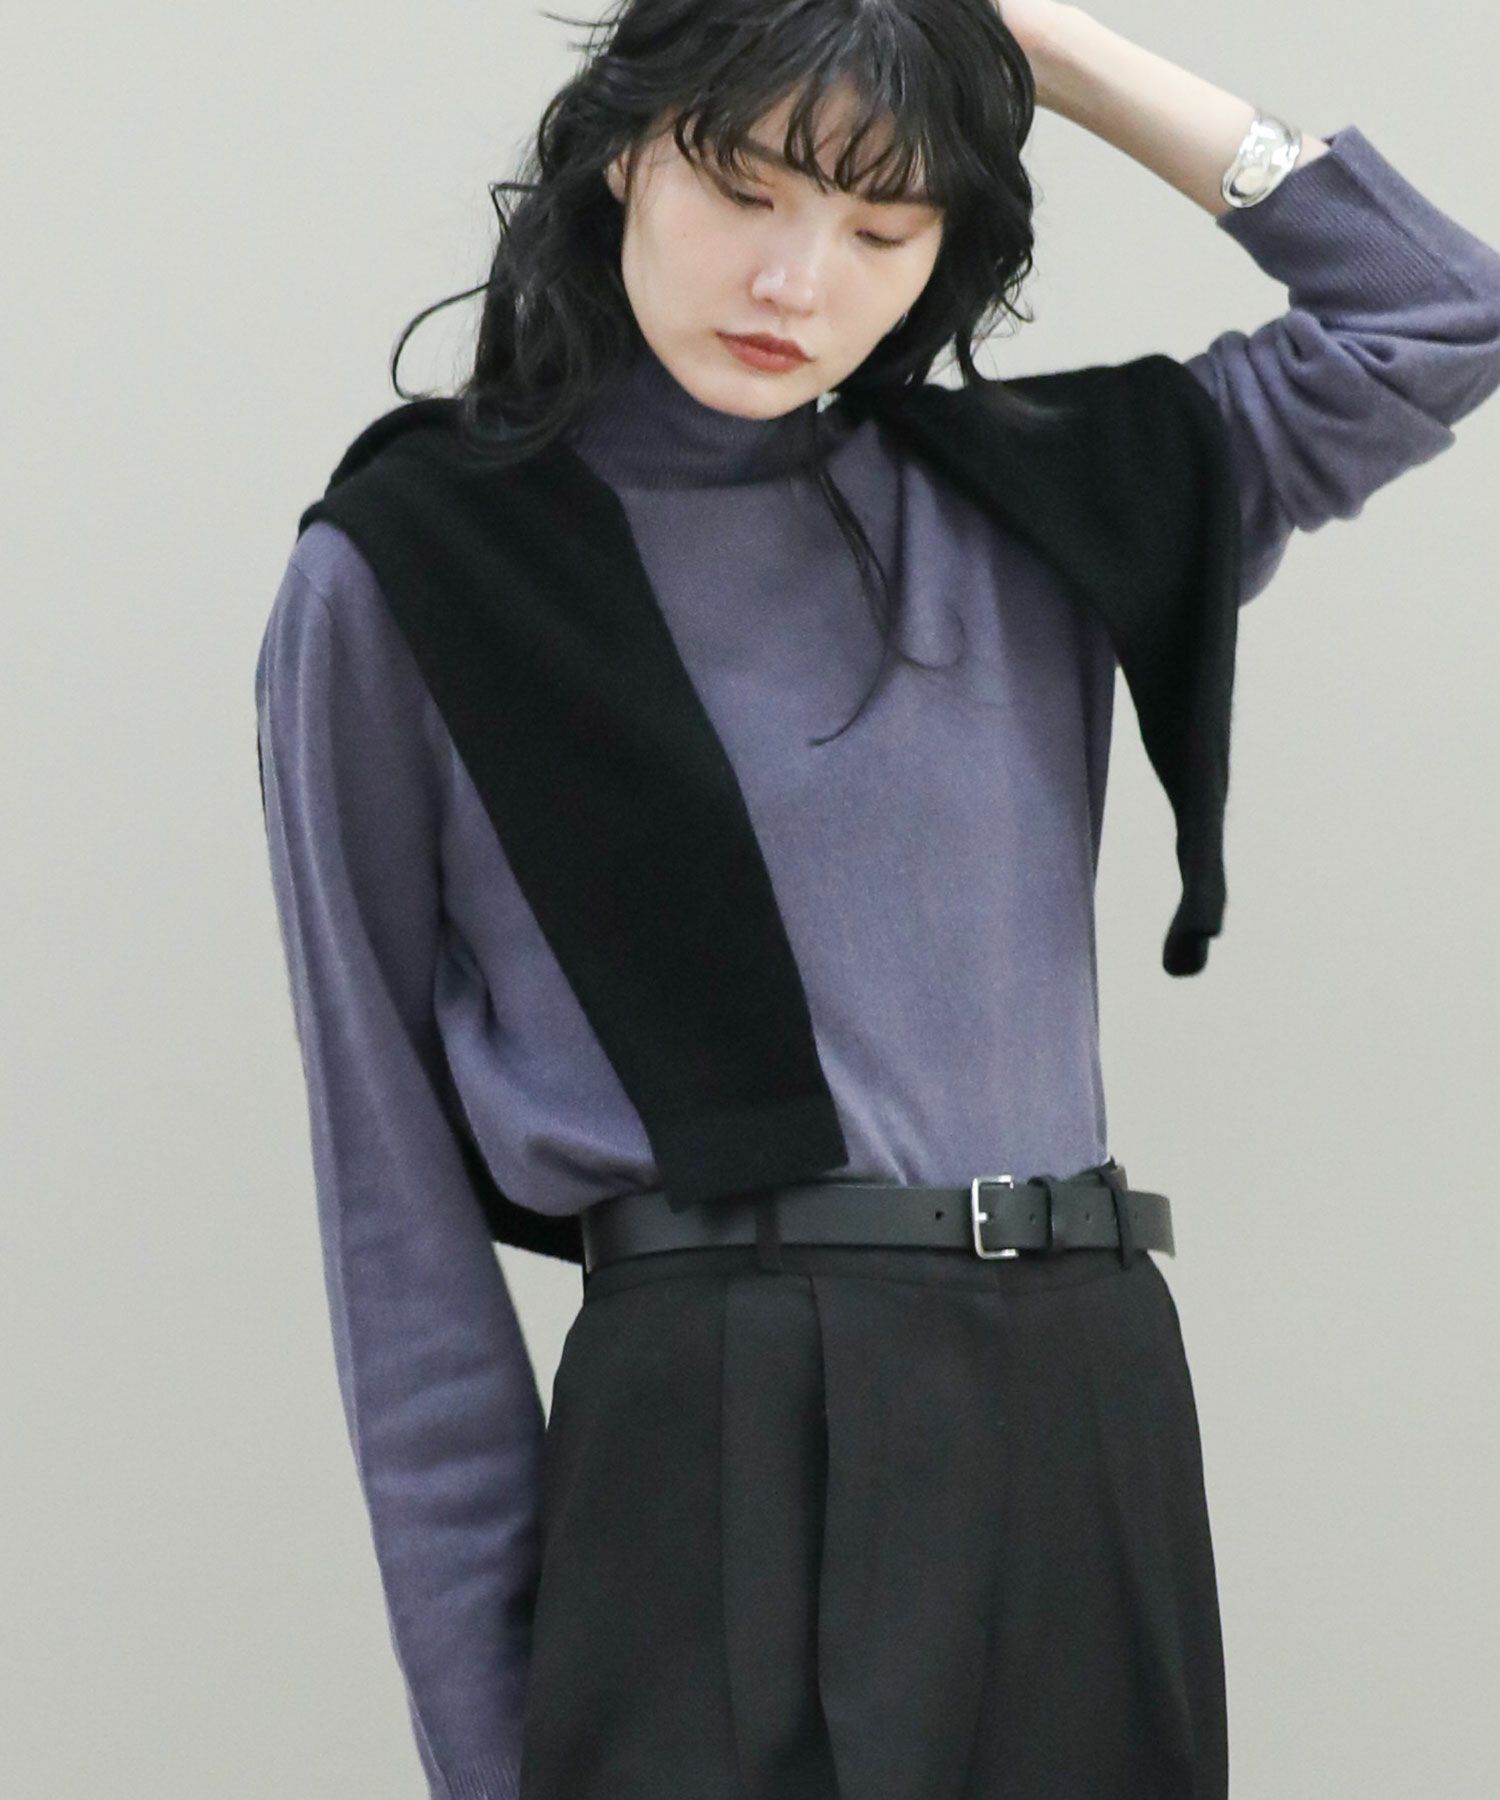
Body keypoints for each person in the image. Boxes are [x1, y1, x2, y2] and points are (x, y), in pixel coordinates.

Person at [253, 2, 1500, 1796]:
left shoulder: (1032, 505)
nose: (798, 281)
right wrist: (491, 1752)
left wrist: (1028, 40)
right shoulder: (415, 573)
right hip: (720, 1437)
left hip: (1087, 1404)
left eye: (884, 225)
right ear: (628, 149)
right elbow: (396, 1234)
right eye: (747, 187)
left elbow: (1436, 313)